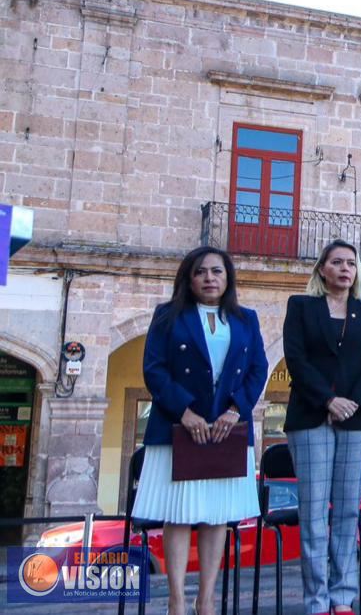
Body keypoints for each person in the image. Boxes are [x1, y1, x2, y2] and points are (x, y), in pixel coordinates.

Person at [134, 247, 268, 615]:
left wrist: (236, 410)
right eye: (201, 272)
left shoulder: (246, 319)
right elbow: (154, 369)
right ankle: (176, 600)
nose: (210, 278)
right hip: (178, 428)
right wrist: (184, 412)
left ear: (228, 279)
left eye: (217, 272)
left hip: (227, 430)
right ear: (188, 279)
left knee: (216, 516)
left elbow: (258, 369)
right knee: (177, 515)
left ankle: (205, 600)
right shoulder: (168, 316)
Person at [282, 240, 361, 615]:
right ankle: (316, 600)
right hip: (311, 416)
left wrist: (350, 403)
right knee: (312, 513)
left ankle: (343, 598)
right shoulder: (301, 307)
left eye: (351, 264)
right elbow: (295, 359)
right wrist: (328, 400)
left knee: (347, 511)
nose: (345, 269)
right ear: (322, 269)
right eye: (337, 262)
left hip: (357, 419)